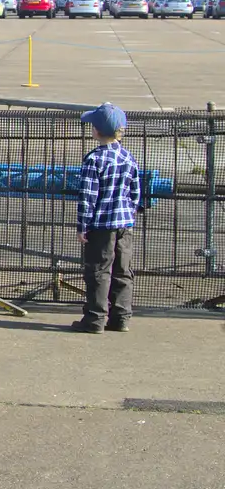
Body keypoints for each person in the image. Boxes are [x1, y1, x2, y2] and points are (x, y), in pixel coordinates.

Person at [70, 102, 143, 333]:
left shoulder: (94, 159)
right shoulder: (128, 157)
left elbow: (87, 197)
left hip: (101, 225)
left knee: (99, 271)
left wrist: (83, 226)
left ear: (97, 130)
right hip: (124, 224)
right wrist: (130, 213)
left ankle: (95, 318)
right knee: (122, 270)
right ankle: (121, 317)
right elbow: (135, 192)